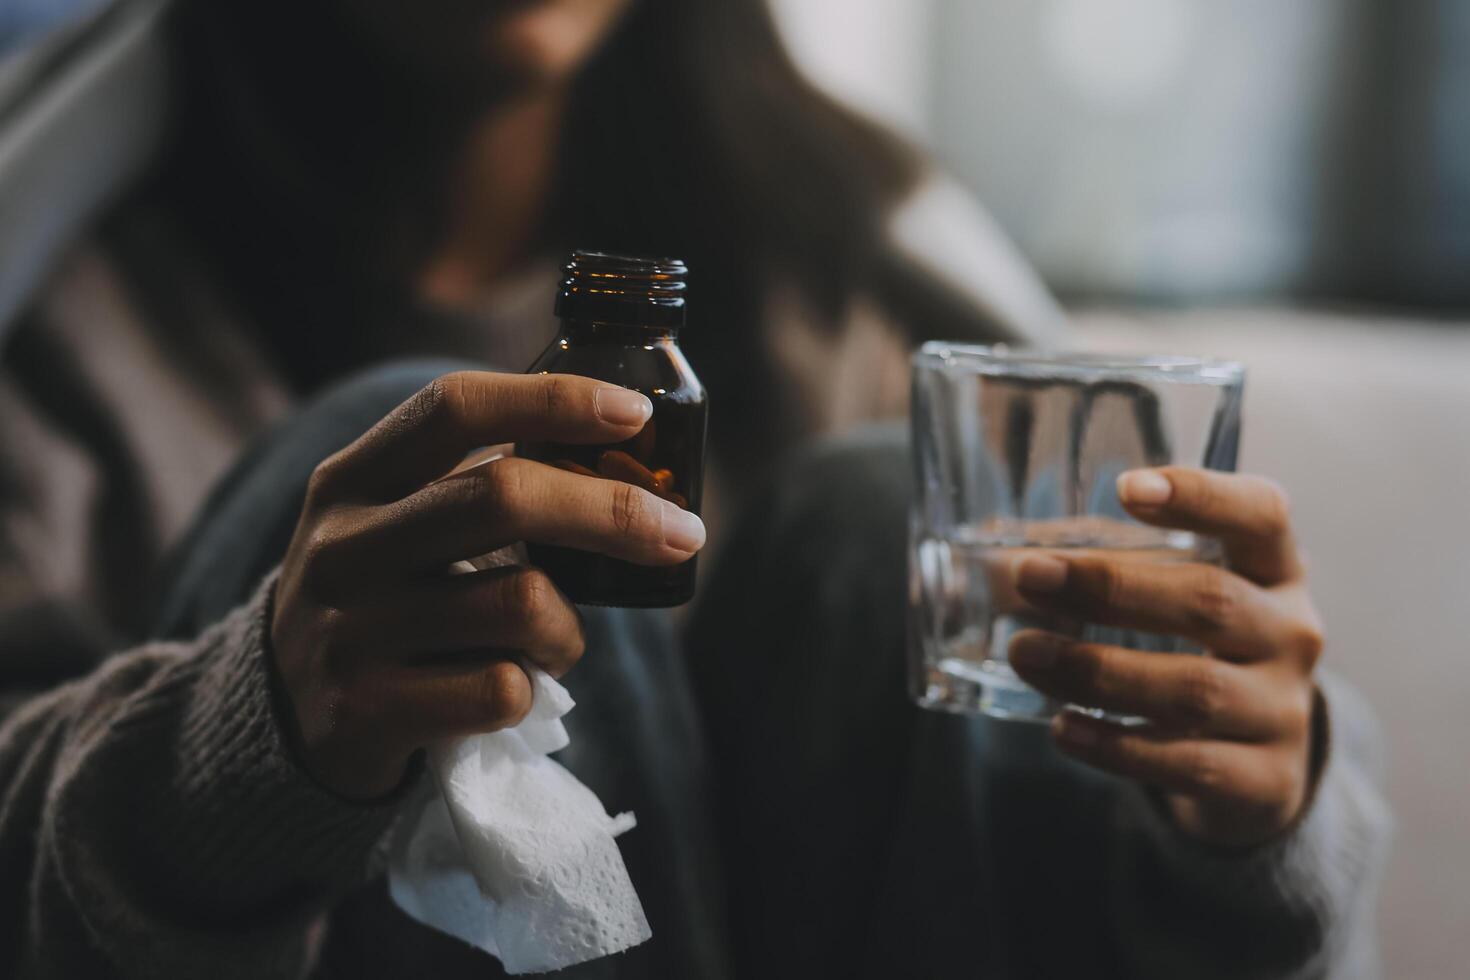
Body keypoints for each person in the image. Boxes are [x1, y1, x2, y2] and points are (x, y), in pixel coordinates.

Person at [0, 0, 1389, 977]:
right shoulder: (60, 311)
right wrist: (241, 743)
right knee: (416, 455)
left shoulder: (842, 272)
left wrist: (1248, 812)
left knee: (875, 520)